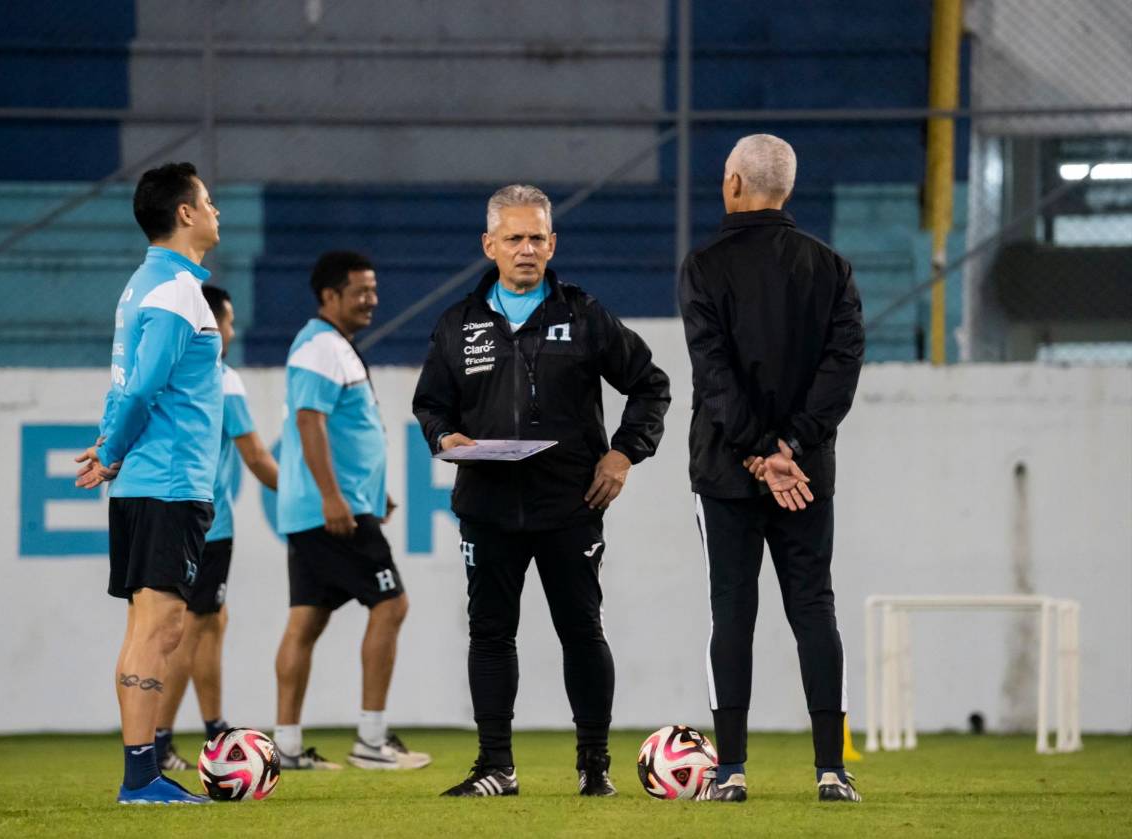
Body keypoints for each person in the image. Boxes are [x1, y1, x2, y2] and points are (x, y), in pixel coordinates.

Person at [413, 185, 671, 797]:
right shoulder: (457, 324)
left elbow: (651, 384)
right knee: (490, 634)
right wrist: (444, 435)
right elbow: (429, 404)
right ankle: (495, 767)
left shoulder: (584, 315)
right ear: (490, 246)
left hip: (570, 507)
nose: (526, 249)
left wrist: (623, 452)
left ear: (552, 244)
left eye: (536, 238)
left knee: (582, 632)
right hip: (488, 506)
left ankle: (594, 767)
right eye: (514, 239)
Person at [677, 134, 866, 804]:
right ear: (787, 187)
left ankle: (730, 771)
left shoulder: (702, 266)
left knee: (732, 609)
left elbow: (713, 373)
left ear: (732, 183)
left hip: (726, 470)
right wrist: (792, 446)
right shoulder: (832, 268)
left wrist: (758, 450)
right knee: (815, 607)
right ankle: (831, 770)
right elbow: (841, 371)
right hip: (805, 475)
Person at [74, 161, 222, 804]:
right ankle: (141, 777)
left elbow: (123, 386)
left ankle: (142, 772)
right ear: (184, 214)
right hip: (167, 482)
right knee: (158, 627)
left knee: (154, 626)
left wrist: (111, 447)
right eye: (209, 201)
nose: (217, 211)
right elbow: (141, 387)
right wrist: (111, 451)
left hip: (149, 479)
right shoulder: (176, 292)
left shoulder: (143, 286)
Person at [273, 250, 430, 771]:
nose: (372, 300)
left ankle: (288, 748)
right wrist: (335, 497)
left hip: (329, 508)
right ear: (329, 296)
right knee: (392, 605)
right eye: (361, 290)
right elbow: (309, 422)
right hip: (331, 512)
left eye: (374, 288)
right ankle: (371, 740)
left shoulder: (331, 345)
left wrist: (367, 490)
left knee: (305, 622)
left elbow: (341, 429)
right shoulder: (319, 345)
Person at [153, 284, 280, 772]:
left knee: (210, 623)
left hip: (170, 515)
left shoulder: (170, 375)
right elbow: (255, 456)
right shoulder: (222, 379)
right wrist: (299, 498)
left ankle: (212, 727)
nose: (231, 330)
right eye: (226, 321)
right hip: (209, 523)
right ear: (212, 325)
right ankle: (161, 739)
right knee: (192, 629)